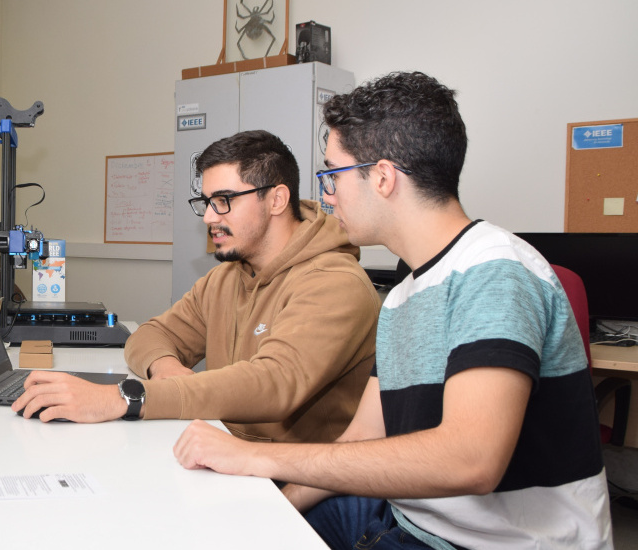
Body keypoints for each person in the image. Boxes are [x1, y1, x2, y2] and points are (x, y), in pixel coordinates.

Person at [172, 72, 612, 548]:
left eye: (331, 174)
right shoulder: (405, 294)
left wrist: (259, 460)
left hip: (489, 542)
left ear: (382, 177)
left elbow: (471, 460)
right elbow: (361, 440)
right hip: (406, 515)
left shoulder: (495, 271)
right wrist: (274, 507)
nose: (325, 195)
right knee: (216, 530)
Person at [13, 129, 380, 446]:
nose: (208, 217)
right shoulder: (227, 277)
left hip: (294, 485)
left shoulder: (334, 283)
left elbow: (274, 384)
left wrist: (126, 398)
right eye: (206, 203)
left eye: (223, 201)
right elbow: (149, 335)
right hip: (223, 452)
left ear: (277, 199)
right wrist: (165, 365)